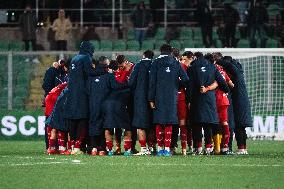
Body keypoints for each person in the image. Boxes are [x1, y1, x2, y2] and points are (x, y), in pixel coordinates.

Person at [63, 41, 105, 155]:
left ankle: (72, 147)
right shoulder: (86, 58)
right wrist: (103, 70)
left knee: (73, 120)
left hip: (72, 92)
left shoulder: (75, 58)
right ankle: (78, 147)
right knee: (82, 119)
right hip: (81, 93)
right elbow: (90, 72)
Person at [148, 44, 189, 157]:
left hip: (158, 96)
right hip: (172, 97)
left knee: (159, 122)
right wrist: (176, 86)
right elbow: (186, 79)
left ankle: (160, 149)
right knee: (169, 122)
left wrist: (151, 99)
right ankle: (167, 149)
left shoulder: (155, 63)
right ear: (171, 52)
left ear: (160, 51)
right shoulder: (176, 63)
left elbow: (152, 82)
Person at [187, 52, 229, 155]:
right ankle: (208, 148)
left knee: (197, 124)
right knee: (208, 124)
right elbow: (221, 82)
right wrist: (226, 89)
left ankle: (198, 148)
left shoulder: (192, 67)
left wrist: (188, 99)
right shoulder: (212, 67)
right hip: (209, 99)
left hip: (196, 98)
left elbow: (190, 85)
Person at [88, 60, 127, 156]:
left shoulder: (90, 77)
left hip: (93, 105)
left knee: (93, 124)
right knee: (104, 126)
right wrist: (127, 84)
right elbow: (115, 86)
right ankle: (102, 149)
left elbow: (87, 91)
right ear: (105, 67)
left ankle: (93, 148)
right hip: (105, 105)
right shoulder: (109, 76)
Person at [217, 56, 252, 155]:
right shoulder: (238, 72)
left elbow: (228, 65)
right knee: (239, 126)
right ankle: (242, 148)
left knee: (238, 126)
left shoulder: (236, 73)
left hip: (239, 102)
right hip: (241, 102)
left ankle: (241, 149)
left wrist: (217, 61)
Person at [102, 55, 134, 156]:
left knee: (114, 127)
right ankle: (123, 150)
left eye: (122, 66)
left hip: (111, 103)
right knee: (124, 127)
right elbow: (120, 82)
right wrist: (125, 72)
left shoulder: (132, 68)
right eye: (119, 67)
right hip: (118, 104)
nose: (120, 68)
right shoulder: (116, 74)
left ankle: (116, 149)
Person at [128, 50, 154, 155]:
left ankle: (143, 148)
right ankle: (151, 147)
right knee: (151, 124)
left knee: (141, 124)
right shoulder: (154, 64)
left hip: (140, 98)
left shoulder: (138, 65)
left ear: (143, 56)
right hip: (153, 99)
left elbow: (131, 82)